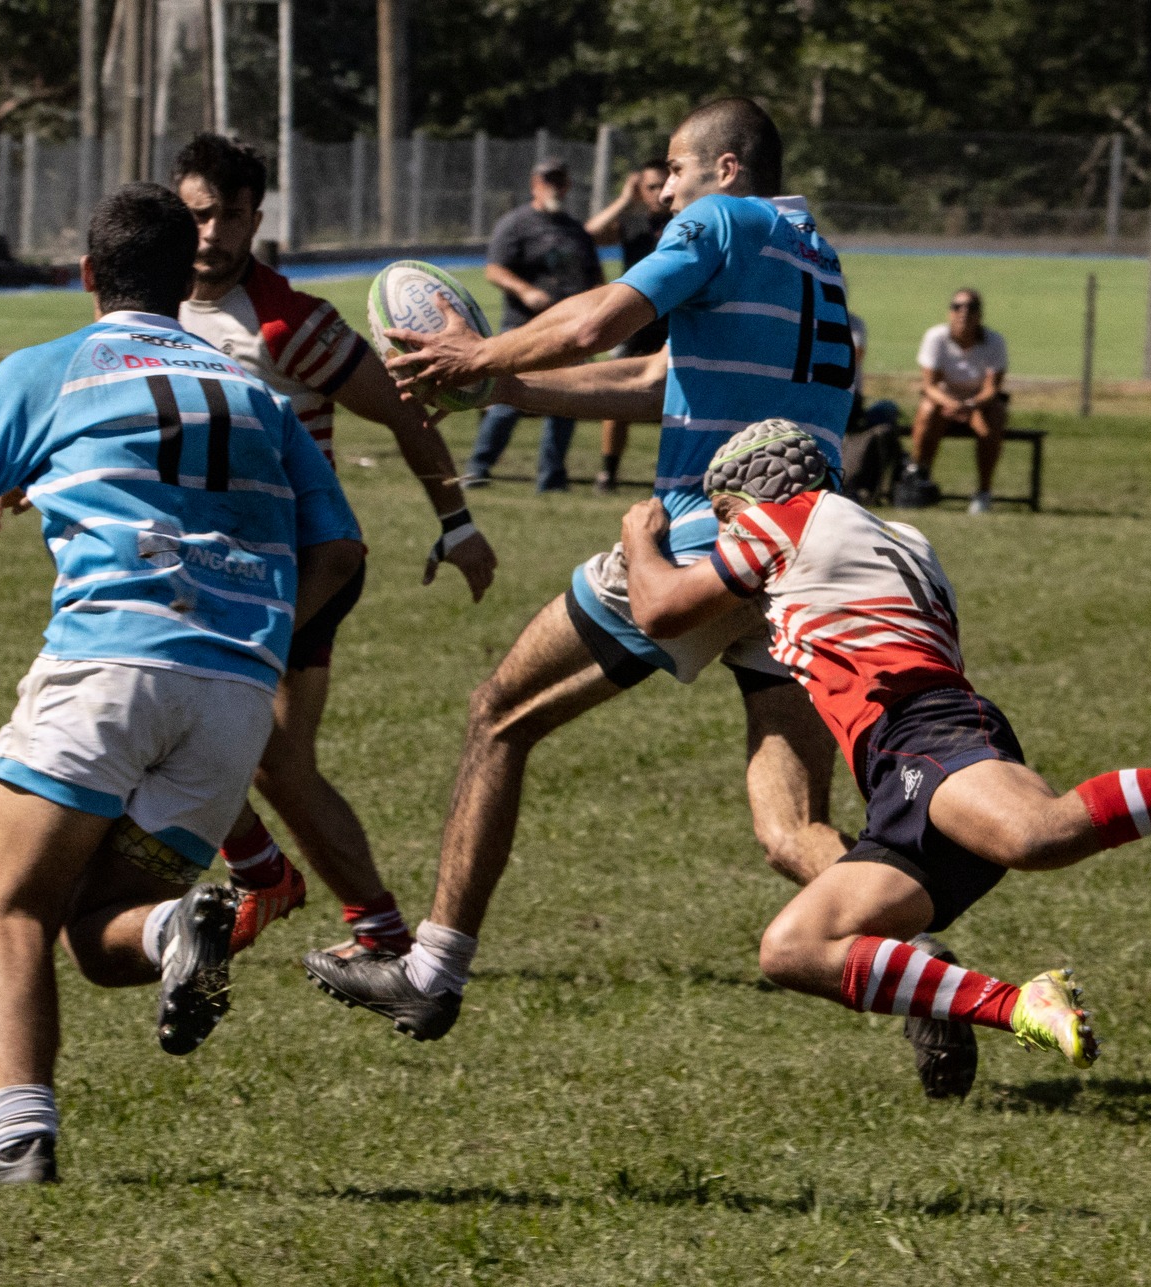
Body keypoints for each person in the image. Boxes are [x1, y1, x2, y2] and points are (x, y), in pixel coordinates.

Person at [304, 98, 858, 1042]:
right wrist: (504, 383)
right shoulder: (815, 259)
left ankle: (430, 971)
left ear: (724, 169)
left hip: (699, 543)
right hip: (803, 550)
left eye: (674, 171)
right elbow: (652, 379)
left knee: (498, 715)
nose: (663, 189)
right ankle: (924, 967)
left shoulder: (718, 220)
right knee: (789, 829)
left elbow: (600, 321)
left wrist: (481, 349)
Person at [619, 419, 1151, 1093]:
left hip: (922, 724)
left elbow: (658, 609)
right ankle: (1020, 1004)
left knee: (1037, 833)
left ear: (754, 492)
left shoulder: (782, 519)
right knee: (793, 947)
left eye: (724, 519)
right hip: (896, 765)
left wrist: (639, 536)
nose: (723, 537)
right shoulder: (901, 534)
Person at [0, 183, 364, 1185]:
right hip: (229, 704)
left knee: (14, 910)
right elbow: (339, 548)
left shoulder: (55, 366)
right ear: (183, 278)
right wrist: (263, 634)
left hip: (105, 673)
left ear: (89, 275)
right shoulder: (255, 392)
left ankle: (21, 1144)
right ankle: (171, 925)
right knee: (102, 938)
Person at [0, 133, 496, 965]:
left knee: (270, 758)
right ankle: (287, 886)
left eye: (229, 214)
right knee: (213, 728)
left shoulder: (288, 324)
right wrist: (29, 475)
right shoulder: (151, 312)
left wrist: (459, 523)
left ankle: (368, 926)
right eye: (197, 214)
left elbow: (403, 413)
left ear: (257, 218)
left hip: (298, 563)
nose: (212, 233)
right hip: (193, 564)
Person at [464, 158, 605, 493]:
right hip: (525, 329)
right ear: (534, 185)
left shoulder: (576, 230)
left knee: (565, 402)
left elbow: (596, 280)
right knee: (508, 400)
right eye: (547, 180)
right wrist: (526, 290)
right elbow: (494, 269)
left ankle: (552, 478)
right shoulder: (516, 224)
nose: (553, 186)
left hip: (570, 332)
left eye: (559, 180)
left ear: (567, 186)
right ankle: (477, 469)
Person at [583, 159, 672, 493]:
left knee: (678, 402)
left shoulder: (687, 220)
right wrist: (624, 200)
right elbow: (589, 234)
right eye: (649, 187)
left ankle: (671, 476)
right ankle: (608, 472)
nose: (659, 193)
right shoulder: (634, 225)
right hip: (637, 320)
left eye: (664, 184)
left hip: (672, 322)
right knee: (617, 397)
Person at [903, 288, 1008, 514]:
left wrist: (970, 405)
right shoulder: (936, 337)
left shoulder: (994, 341)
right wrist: (951, 403)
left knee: (996, 417)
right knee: (928, 410)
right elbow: (929, 385)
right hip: (943, 401)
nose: (964, 313)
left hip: (978, 404)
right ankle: (919, 476)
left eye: (971, 308)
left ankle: (983, 492)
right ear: (949, 312)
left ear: (980, 314)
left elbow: (993, 388)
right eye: (957, 307)